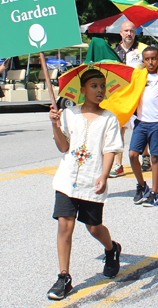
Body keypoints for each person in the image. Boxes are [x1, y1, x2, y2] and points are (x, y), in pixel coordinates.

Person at [47, 69, 123, 300]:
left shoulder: (110, 119)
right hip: (67, 180)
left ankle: (111, 249)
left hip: (93, 180)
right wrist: (55, 124)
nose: (99, 90)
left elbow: (110, 150)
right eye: (93, 86)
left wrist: (104, 175)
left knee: (93, 227)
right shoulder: (69, 114)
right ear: (82, 90)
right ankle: (64, 277)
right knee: (64, 226)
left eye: (102, 86)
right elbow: (63, 147)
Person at [129, 47, 158, 207]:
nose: (150, 62)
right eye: (147, 59)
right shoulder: (138, 76)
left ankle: (155, 192)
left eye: (154, 59)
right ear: (142, 61)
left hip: (157, 122)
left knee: (154, 157)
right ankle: (141, 185)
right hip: (141, 122)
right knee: (132, 155)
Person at [110, 21, 149, 178]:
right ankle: (118, 164)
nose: (129, 33)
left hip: (138, 95)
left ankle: (145, 156)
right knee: (118, 129)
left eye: (132, 31)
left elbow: (150, 68)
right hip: (119, 96)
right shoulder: (114, 52)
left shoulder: (142, 49)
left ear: (135, 33)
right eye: (126, 31)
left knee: (140, 128)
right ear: (120, 33)